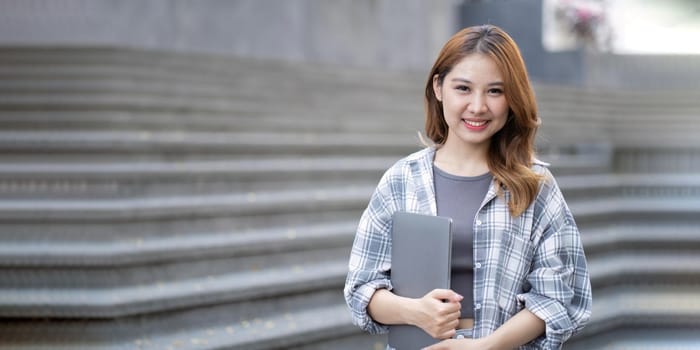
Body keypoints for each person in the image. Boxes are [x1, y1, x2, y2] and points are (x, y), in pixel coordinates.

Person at [343, 24, 592, 350]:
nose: (477, 107)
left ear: (512, 98)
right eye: (463, 88)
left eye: (495, 91)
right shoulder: (401, 180)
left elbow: (559, 296)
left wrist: (484, 347)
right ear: (438, 87)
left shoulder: (536, 187)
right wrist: (416, 312)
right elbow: (362, 288)